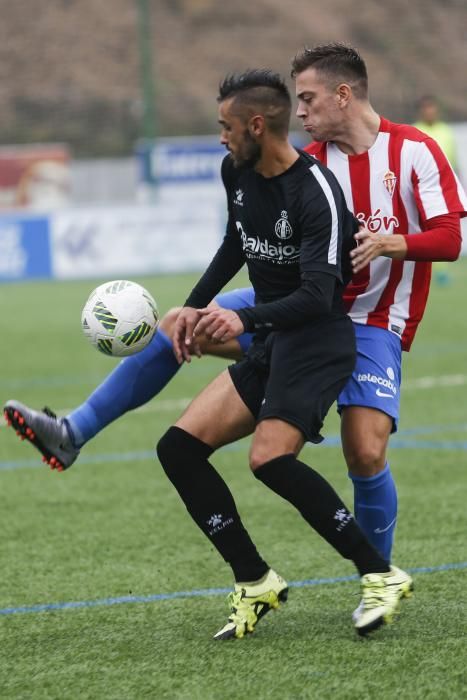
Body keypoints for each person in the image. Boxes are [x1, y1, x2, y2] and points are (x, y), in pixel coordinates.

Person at [4, 43, 466, 573]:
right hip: (296, 311)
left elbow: (451, 238)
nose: (302, 111)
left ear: (344, 95)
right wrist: (196, 306)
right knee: (181, 326)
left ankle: (377, 580)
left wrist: (391, 243)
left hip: (373, 321)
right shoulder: (302, 164)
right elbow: (249, 242)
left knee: (364, 451)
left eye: (310, 99)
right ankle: (72, 432)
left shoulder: (414, 150)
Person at [157, 67, 414, 640]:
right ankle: (254, 580)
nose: (220, 138)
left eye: (226, 127)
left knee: (269, 459)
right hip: (276, 338)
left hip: (319, 340)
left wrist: (241, 317)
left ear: (256, 125)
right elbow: (235, 243)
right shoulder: (237, 170)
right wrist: (194, 307)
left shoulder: (316, 191)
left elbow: (320, 296)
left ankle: (381, 573)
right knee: (177, 448)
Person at [413, 95, 461, 285]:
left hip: (443, 188)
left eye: (432, 108)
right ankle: (423, 266)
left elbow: (453, 162)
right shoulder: (415, 130)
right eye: (426, 109)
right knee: (421, 227)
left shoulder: (446, 132)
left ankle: (441, 271)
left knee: (445, 227)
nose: (429, 112)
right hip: (420, 188)